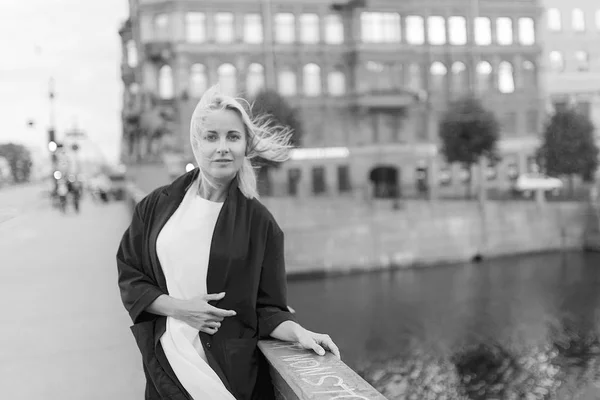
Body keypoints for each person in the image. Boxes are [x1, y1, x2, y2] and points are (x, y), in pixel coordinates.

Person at [116, 85, 340, 400]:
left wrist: (299, 333)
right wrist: (181, 309)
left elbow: (267, 308)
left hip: (228, 378)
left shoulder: (260, 224)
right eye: (211, 137)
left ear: (246, 146)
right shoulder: (155, 206)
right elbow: (130, 275)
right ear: (196, 143)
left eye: (232, 137)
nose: (222, 147)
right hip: (166, 368)